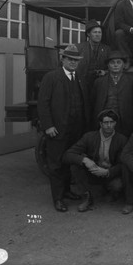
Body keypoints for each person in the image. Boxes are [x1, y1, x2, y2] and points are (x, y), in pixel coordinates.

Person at [37, 45, 91, 212]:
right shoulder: (51, 77)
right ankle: (58, 198)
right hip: (58, 130)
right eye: (70, 59)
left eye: (76, 60)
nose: (73, 63)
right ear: (63, 59)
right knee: (56, 164)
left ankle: (67, 191)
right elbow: (43, 103)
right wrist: (48, 126)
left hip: (76, 129)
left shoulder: (79, 78)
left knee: (69, 162)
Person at [63, 109, 128, 212]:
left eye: (112, 122)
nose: (109, 125)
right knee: (75, 166)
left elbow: (123, 164)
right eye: (106, 122)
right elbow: (67, 155)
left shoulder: (121, 140)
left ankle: (110, 191)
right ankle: (88, 197)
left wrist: (107, 172)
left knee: (117, 185)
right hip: (94, 171)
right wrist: (85, 160)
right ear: (100, 124)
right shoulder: (89, 137)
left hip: (110, 173)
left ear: (115, 123)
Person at [91, 51, 133, 137]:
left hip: (125, 121)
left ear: (123, 65)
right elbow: (93, 102)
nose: (115, 65)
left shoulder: (132, 81)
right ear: (108, 65)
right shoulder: (99, 82)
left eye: (118, 62)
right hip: (104, 121)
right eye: (112, 63)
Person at [76, 19, 111, 95]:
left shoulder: (107, 49)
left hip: (99, 85)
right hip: (81, 84)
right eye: (95, 32)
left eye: (99, 32)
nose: (97, 34)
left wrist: (105, 72)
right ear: (88, 34)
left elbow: (112, 67)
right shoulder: (79, 48)